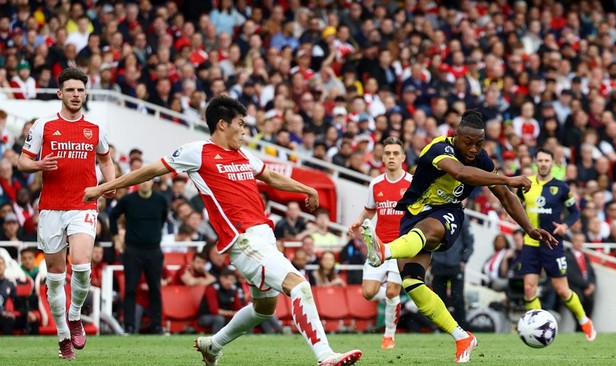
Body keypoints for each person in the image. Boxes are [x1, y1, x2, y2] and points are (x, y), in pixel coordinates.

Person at [83, 95, 361, 366]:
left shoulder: (242, 154)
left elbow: (271, 176)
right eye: (241, 123)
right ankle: (325, 356)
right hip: (243, 240)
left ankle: (212, 345)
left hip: (264, 237)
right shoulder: (197, 152)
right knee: (299, 286)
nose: (244, 129)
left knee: (264, 309)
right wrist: (102, 188)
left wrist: (307, 189)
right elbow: (151, 170)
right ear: (222, 125)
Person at [360, 109, 557, 363]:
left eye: (479, 144)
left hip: (447, 214)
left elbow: (505, 197)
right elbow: (461, 174)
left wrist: (529, 228)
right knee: (412, 283)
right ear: (456, 136)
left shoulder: (482, 160)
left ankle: (383, 251)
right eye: (469, 142)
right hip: (413, 213)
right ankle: (462, 337)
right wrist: (508, 179)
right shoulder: (438, 148)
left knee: (429, 230)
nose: (474, 149)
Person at [17, 68, 116, 359]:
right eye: (70, 90)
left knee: (83, 267)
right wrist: (39, 165)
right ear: (60, 93)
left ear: (86, 94)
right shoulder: (44, 125)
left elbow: (106, 159)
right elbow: (23, 162)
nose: (76, 95)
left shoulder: (95, 128)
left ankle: (75, 316)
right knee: (56, 278)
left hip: (83, 204)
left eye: (80, 90)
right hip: (50, 208)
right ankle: (63, 336)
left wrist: (109, 184)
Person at [516, 148, 596, 341]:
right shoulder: (525, 184)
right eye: (540, 160)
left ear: (552, 163)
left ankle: (584, 320)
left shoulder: (561, 187)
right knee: (528, 288)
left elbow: (575, 212)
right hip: (530, 242)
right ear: (535, 161)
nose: (543, 163)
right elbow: (515, 205)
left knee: (562, 289)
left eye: (547, 160)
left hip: (553, 243)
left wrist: (565, 226)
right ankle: (537, 330)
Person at [348, 137, 412, 350]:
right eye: (387, 154)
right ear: (382, 158)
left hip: (401, 247)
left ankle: (389, 336)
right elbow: (370, 209)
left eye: (395, 153)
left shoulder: (411, 183)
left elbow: (419, 211)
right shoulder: (375, 184)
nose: (391, 157)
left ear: (403, 157)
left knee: (392, 291)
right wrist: (358, 220)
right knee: (368, 292)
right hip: (378, 246)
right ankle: (394, 301)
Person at [109, 177, 169, 334]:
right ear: (138, 183)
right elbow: (112, 215)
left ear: (152, 183)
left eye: (147, 180)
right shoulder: (128, 200)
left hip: (154, 249)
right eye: (142, 180)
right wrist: (116, 237)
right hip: (133, 250)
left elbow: (163, 218)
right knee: (130, 289)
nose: (144, 182)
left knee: (155, 288)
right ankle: (129, 325)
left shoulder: (161, 200)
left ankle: (157, 326)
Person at [430, 213, 474, 329]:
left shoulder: (462, 217)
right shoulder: (434, 214)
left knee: (458, 298)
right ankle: (441, 328)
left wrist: (464, 259)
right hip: (438, 264)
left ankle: (462, 328)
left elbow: (469, 241)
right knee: (439, 299)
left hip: (455, 264)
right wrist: (430, 261)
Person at [564, 232, 597, 331]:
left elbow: (591, 273)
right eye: (577, 241)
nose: (579, 243)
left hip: (587, 290)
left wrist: (592, 285)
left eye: (581, 241)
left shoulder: (584, 256)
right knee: (579, 314)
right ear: (572, 241)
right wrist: (587, 285)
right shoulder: (567, 255)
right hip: (575, 289)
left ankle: (584, 331)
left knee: (588, 311)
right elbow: (571, 275)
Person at [198, 267, 243, 333]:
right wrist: (231, 313)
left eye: (232, 280)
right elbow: (214, 311)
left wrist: (236, 314)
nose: (229, 282)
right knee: (219, 319)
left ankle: (248, 338)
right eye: (227, 279)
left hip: (225, 316)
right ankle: (215, 340)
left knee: (244, 318)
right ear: (221, 278)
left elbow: (238, 308)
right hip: (206, 316)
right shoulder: (212, 288)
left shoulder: (234, 290)